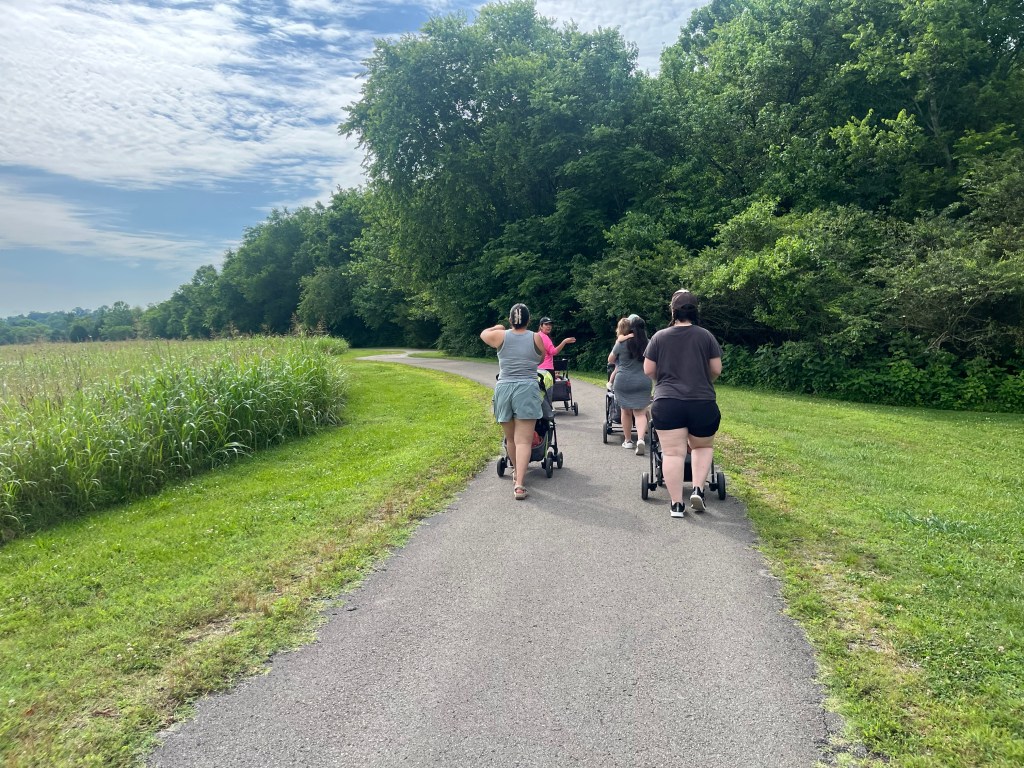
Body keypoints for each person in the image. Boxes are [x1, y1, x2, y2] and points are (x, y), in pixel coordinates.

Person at [643, 290, 723, 518]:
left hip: (668, 402)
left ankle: (677, 504)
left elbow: (648, 370)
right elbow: (716, 369)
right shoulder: (706, 336)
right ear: (695, 311)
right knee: (702, 447)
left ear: (673, 311)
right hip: (702, 401)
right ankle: (698, 489)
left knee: (672, 454)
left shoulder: (659, 337)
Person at [480, 304, 545, 500]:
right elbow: (540, 359)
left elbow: (483, 334)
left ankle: (516, 471)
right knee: (524, 440)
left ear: (510, 320)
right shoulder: (536, 337)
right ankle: (519, 484)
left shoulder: (500, 336)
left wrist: (497, 327)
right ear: (529, 320)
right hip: (527, 388)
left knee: (510, 439)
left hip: (504, 388)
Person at [607, 315, 652, 455]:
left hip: (624, 381)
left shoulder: (621, 343)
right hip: (643, 381)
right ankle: (640, 439)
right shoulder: (649, 343)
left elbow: (610, 359)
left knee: (626, 412)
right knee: (640, 413)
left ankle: (627, 441)